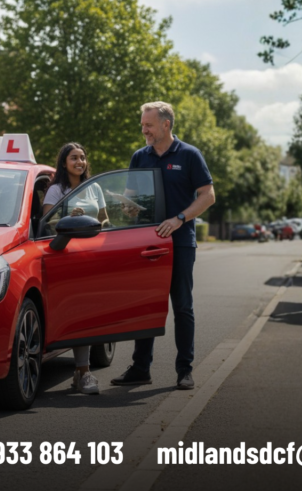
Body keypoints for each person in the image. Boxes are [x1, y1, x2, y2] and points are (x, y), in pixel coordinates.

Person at [112, 102, 215, 391]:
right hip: (147, 242)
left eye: (148, 125)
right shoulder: (139, 157)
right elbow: (131, 197)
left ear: (166, 125)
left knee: (182, 306)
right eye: (143, 124)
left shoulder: (190, 155)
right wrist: (129, 208)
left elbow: (208, 196)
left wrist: (180, 218)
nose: (143, 129)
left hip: (180, 242)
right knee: (146, 305)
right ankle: (141, 368)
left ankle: (185, 370)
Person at [42, 142, 107, 394]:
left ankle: (83, 372)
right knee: (76, 310)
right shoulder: (57, 190)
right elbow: (47, 223)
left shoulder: (95, 187)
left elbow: (103, 221)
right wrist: (68, 217)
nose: (79, 162)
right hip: (66, 255)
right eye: (73, 158)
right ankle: (82, 373)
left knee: (89, 312)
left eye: (82, 157)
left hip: (92, 256)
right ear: (64, 162)